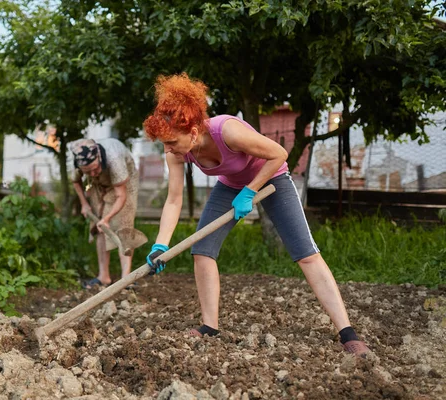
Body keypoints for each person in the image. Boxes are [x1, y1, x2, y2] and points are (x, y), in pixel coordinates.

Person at [142, 73, 370, 357]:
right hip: (231, 186)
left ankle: (348, 333)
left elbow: (278, 153)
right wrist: (160, 245)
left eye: (171, 142)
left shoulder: (227, 131)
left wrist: (250, 191)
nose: (168, 149)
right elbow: (174, 200)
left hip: (272, 178)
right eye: (164, 144)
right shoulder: (177, 153)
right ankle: (209, 326)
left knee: (305, 253)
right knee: (202, 251)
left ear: (191, 132)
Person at [70, 137, 139, 289]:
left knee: (124, 226)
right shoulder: (78, 159)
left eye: (95, 168)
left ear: (100, 158)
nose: (93, 173)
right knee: (99, 227)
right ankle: (104, 277)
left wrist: (107, 218)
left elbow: (121, 196)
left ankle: (126, 278)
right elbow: (76, 181)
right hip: (99, 185)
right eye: (88, 171)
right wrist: (84, 204)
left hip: (124, 183)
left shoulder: (115, 160)